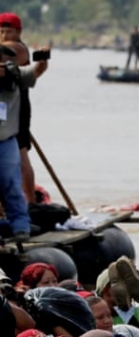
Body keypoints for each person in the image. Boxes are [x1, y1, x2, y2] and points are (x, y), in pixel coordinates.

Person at [0, 12, 48, 205]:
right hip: (6, 105)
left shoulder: (16, 48)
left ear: (18, 32)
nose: (4, 35)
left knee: (20, 153)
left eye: (8, 31)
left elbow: (35, 71)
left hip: (18, 106)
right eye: (1, 31)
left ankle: (29, 202)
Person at [0, 40, 38, 242]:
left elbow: (36, 71)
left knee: (12, 187)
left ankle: (21, 228)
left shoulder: (15, 77)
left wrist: (42, 59)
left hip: (6, 142)